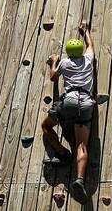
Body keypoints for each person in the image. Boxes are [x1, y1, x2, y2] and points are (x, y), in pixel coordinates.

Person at [40, 21, 95, 204]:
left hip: (69, 100)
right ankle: (79, 179)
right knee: (82, 146)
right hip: (87, 102)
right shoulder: (88, 59)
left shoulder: (64, 62)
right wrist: (85, 31)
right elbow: (90, 45)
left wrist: (53, 62)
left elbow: (53, 77)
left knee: (46, 126)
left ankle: (62, 154)